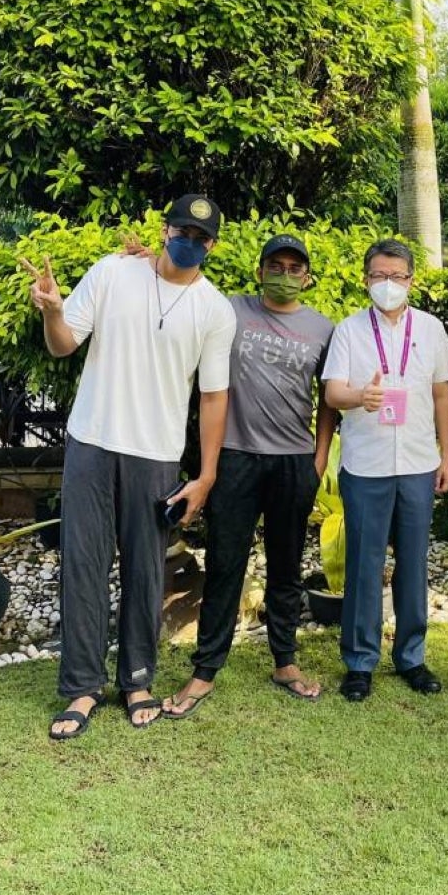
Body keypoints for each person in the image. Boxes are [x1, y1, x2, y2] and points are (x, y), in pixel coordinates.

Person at [23, 195, 236, 740]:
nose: (190, 240)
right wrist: (52, 310)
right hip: (92, 441)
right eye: (182, 229)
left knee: (145, 570)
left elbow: (214, 398)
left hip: (157, 453)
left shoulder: (215, 310)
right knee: (84, 565)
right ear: (165, 229)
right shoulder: (114, 272)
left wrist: (206, 474)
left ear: (212, 245)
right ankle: (81, 687)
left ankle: (137, 680)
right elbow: (64, 345)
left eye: (202, 236)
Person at [162, 233, 336, 720]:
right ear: (260, 270)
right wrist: (144, 260)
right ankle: (205, 669)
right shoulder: (229, 309)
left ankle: (285, 662)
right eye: (275, 265)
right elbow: (181, 282)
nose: (284, 274)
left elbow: (330, 397)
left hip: (292, 462)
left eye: (294, 267)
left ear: (307, 275)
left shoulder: (324, 329)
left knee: (286, 567)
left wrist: (318, 458)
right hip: (236, 457)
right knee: (225, 563)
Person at [322, 239, 448, 702]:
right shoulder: (349, 331)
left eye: (397, 276)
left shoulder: (432, 329)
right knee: (364, 565)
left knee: (414, 563)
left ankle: (412, 657)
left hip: (419, 463)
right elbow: (332, 393)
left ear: (411, 281)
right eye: (379, 276)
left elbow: (442, 395)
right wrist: (361, 396)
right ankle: (359, 662)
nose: (388, 284)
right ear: (366, 280)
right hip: (367, 465)